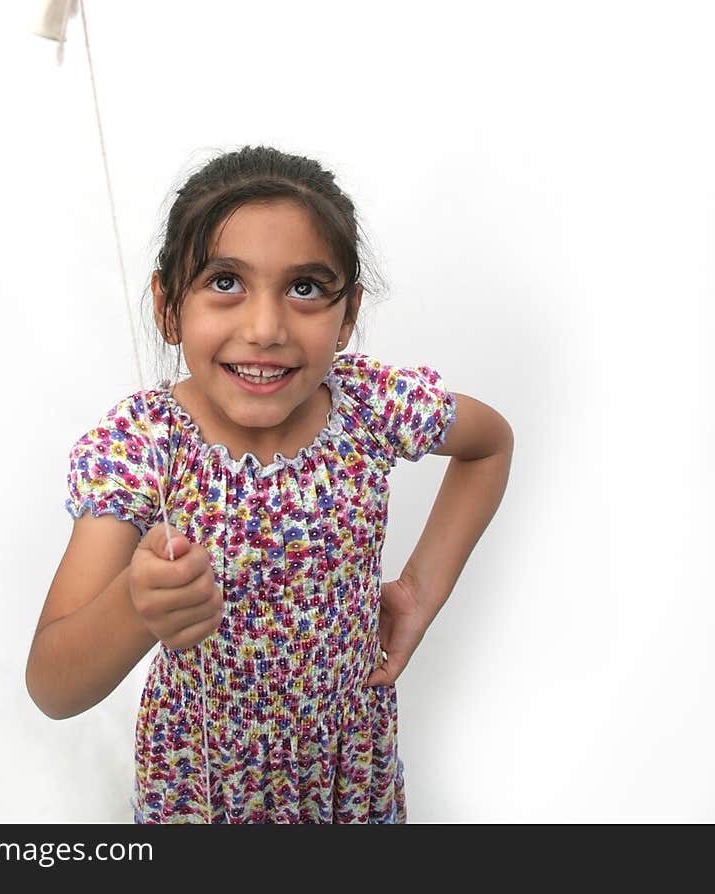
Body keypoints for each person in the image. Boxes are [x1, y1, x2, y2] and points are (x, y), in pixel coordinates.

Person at [25, 145, 513, 823]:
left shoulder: (370, 407)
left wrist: (417, 595)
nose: (264, 328)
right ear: (169, 305)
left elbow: (489, 444)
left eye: (306, 287)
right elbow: (52, 684)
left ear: (348, 316)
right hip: (202, 791)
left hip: (349, 779)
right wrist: (135, 609)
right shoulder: (145, 446)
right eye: (225, 281)